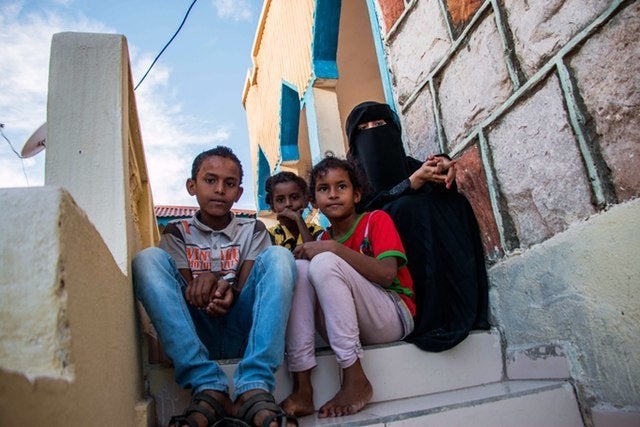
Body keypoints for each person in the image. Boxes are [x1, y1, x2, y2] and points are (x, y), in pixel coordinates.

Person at [132, 146, 298, 427]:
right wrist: (205, 283)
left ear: (239, 193)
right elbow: (187, 292)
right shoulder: (176, 231)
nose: (220, 189)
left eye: (229, 183)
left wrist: (223, 289)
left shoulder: (253, 230)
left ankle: (254, 385)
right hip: (197, 333)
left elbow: (245, 290)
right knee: (147, 259)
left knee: (280, 256)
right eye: (210, 180)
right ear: (191, 186)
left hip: (242, 328)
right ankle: (207, 384)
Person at [345, 101, 490, 352]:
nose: (373, 132)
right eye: (364, 129)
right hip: (385, 285)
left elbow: (441, 185)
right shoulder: (355, 185)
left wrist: (443, 168)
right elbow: (366, 211)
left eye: (379, 125)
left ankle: (449, 306)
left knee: (445, 205)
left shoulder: (411, 165)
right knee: (402, 210)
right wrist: (409, 185)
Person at [280, 155, 415, 419]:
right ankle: (303, 385)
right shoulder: (324, 237)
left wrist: (334, 249)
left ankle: (355, 378)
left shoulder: (375, 220)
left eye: (341, 186)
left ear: (356, 194)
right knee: (299, 267)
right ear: (314, 202)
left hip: (392, 315)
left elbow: (387, 275)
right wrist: (325, 245)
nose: (332, 194)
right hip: (349, 325)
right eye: (323, 189)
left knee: (324, 261)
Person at [264, 171, 323, 251]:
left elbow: (312, 252)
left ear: (305, 201)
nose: (288, 204)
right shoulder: (270, 235)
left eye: (294, 197)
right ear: (273, 206)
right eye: (280, 200)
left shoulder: (315, 231)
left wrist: (298, 219)